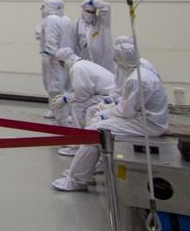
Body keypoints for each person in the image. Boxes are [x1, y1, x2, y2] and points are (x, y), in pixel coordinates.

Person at [53, 37, 168, 192]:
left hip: (147, 123)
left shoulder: (136, 79)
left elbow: (126, 111)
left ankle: (77, 179)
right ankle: (95, 162)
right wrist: (108, 105)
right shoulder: (140, 69)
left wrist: (105, 114)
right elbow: (124, 97)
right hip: (145, 115)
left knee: (92, 131)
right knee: (93, 114)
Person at [50, 47, 117, 156]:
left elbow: (82, 95)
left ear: (64, 61)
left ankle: (76, 144)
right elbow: (85, 91)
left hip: (110, 97)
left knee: (77, 106)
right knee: (84, 107)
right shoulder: (82, 64)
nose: (61, 66)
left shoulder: (77, 68)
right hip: (109, 95)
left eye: (60, 63)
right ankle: (83, 140)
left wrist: (65, 99)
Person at [38, 0, 76, 123]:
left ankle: (58, 111)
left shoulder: (51, 20)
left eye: (43, 7)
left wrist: (47, 55)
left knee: (55, 86)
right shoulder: (65, 19)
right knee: (65, 85)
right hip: (65, 58)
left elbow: (51, 39)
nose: (41, 10)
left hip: (54, 59)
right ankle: (66, 111)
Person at [75, 0, 114, 73]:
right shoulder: (77, 25)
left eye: (93, 12)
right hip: (86, 62)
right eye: (88, 11)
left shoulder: (101, 24)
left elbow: (106, 7)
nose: (90, 14)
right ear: (83, 11)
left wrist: (91, 1)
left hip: (103, 63)